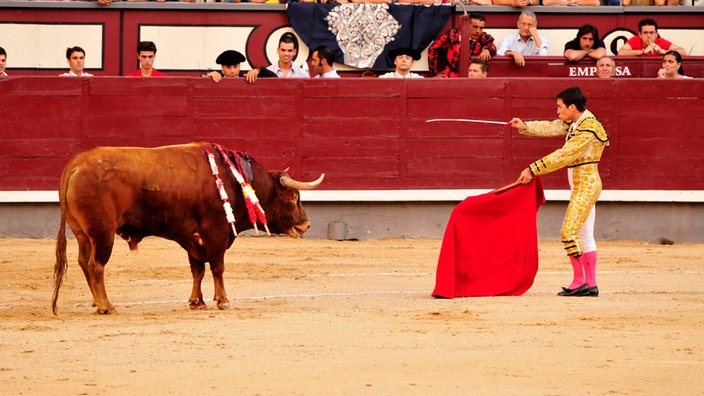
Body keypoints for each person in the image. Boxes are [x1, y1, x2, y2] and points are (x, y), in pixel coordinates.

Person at [511, 86, 609, 297]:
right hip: (583, 185)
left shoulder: (587, 129)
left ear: (572, 107)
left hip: (586, 186)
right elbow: (552, 127)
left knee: (568, 232)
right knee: (584, 234)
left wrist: (532, 169)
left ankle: (579, 281)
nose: (557, 111)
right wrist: (525, 126)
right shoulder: (579, 122)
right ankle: (590, 284)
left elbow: (564, 156)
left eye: (560, 107)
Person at [617, 18, 687, 57]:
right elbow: (621, 53)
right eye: (645, 33)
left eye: (651, 32)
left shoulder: (660, 42)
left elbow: (683, 52)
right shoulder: (635, 40)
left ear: (656, 34)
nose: (649, 36)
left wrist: (663, 52)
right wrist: (643, 52)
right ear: (640, 34)